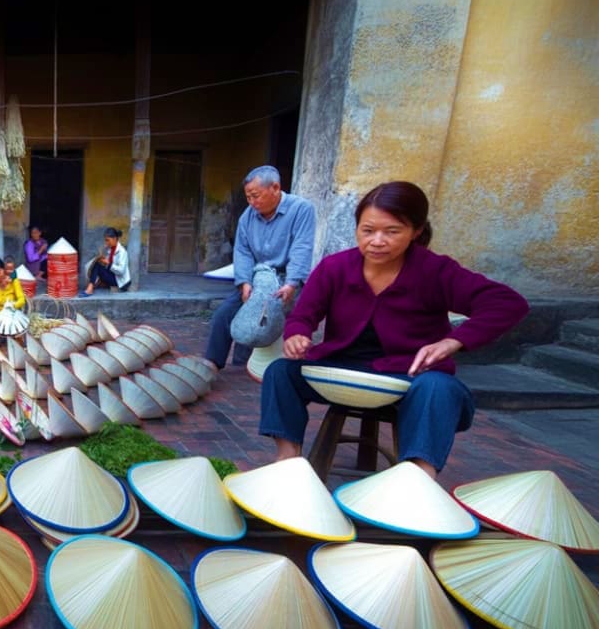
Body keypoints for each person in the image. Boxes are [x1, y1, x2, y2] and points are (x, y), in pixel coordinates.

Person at [258, 181, 529, 477]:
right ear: (357, 228)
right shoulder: (335, 267)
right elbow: (303, 315)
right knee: (280, 372)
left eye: (392, 231)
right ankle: (287, 459)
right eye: (367, 230)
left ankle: (419, 477)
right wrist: (298, 334)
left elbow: (508, 303)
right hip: (339, 368)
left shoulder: (435, 271)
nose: (377, 241)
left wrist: (454, 342)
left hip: (410, 375)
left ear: (415, 231)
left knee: (439, 387)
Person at [203, 166, 315, 371]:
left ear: (275, 187)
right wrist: (244, 282)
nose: (251, 202)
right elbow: (243, 252)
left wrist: (292, 283)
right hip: (258, 278)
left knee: (285, 321)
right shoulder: (247, 216)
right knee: (224, 314)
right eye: (248, 197)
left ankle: (274, 367)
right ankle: (212, 362)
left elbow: (302, 248)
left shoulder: (301, 209)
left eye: (255, 196)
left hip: (288, 278)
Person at [80, 227, 130, 297]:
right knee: (98, 263)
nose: (106, 243)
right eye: (105, 240)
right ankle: (92, 285)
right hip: (113, 276)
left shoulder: (122, 252)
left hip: (120, 281)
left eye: (108, 240)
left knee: (97, 266)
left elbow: (121, 271)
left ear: (115, 239)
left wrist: (108, 263)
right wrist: (102, 260)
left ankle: (90, 288)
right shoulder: (110, 249)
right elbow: (109, 265)